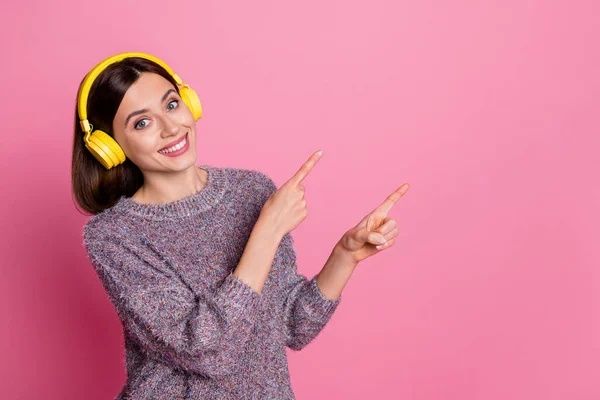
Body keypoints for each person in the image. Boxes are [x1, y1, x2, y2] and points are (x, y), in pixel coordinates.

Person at [71, 52, 410, 399]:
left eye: (172, 105)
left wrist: (345, 255)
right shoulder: (114, 236)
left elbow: (293, 326)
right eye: (142, 123)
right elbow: (208, 351)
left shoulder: (252, 191)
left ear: (189, 102)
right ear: (109, 147)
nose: (171, 128)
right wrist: (266, 232)